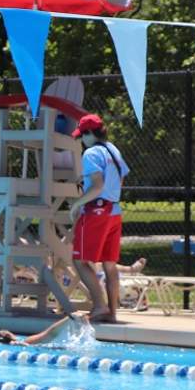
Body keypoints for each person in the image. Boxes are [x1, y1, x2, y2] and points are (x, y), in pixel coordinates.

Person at [67, 114, 130, 323]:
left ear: (90, 133)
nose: (81, 141)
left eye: (82, 136)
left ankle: (99, 306)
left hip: (97, 211)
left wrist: (77, 203)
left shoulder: (91, 153)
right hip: (114, 211)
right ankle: (112, 312)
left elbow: (97, 185)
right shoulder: (113, 150)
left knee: (80, 261)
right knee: (109, 264)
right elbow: (117, 181)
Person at [0, 312, 91, 346]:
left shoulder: (21, 343)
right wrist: (70, 317)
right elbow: (50, 333)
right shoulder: (27, 341)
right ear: (8, 335)